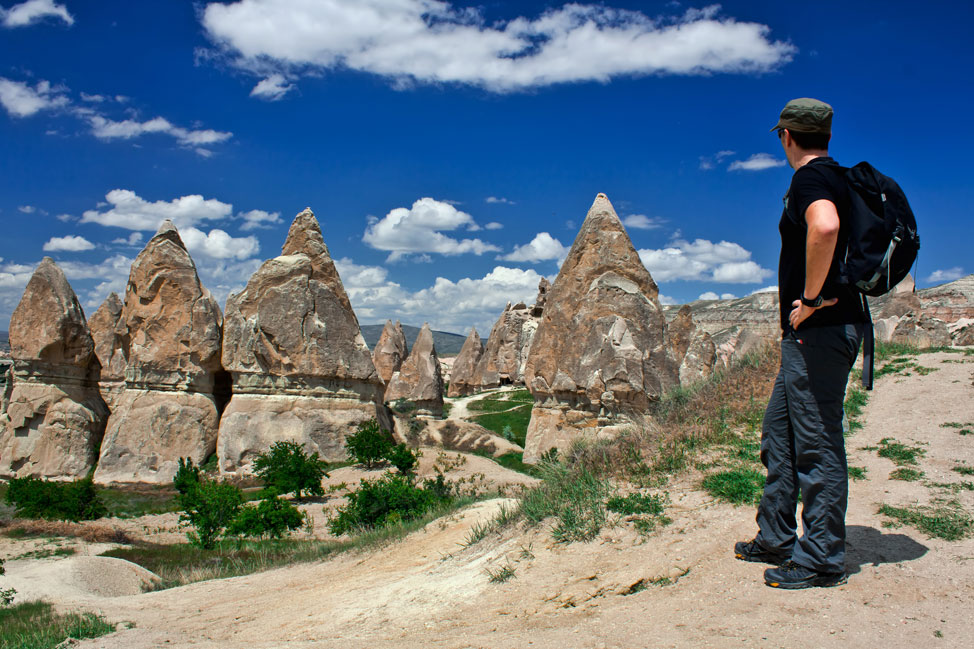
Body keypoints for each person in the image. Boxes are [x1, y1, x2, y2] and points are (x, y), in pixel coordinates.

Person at [734, 98, 865, 589]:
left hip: (821, 332)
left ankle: (821, 560)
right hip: (816, 336)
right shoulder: (840, 177)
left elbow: (825, 226)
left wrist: (811, 299)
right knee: (780, 433)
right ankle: (775, 536)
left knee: (816, 442)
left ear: (786, 135)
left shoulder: (810, 179)